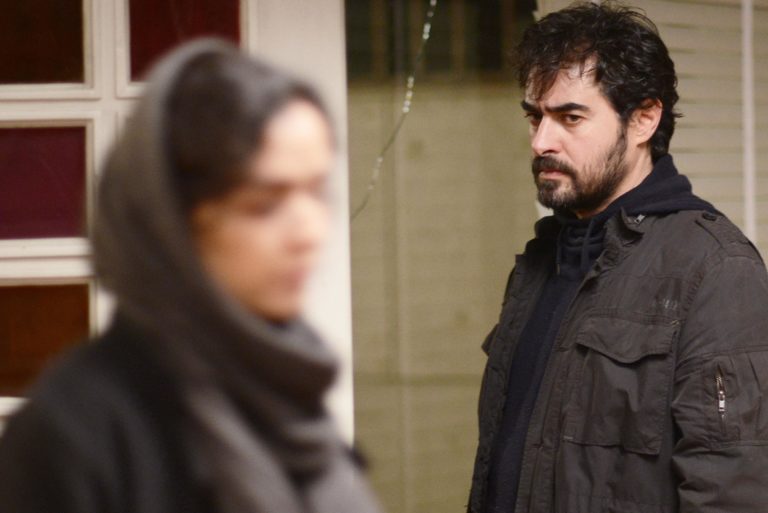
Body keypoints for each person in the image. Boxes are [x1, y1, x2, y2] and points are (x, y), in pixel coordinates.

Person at [0, 39, 380, 513]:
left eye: (317, 192)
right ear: (172, 223)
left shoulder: (287, 395)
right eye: (265, 204)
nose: (309, 232)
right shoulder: (74, 434)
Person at [467, 3, 768, 513]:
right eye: (535, 116)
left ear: (644, 119)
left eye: (570, 118)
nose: (541, 141)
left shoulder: (715, 270)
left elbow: (733, 492)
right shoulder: (540, 263)